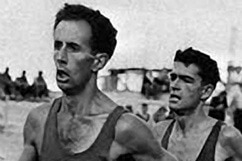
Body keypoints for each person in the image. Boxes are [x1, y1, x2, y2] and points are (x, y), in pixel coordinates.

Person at [19, 4, 177, 161]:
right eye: (57, 45)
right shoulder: (39, 120)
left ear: (98, 62)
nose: (60, 57)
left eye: (73, 48)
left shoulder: (123, 128)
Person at [154, 47, 242, 161]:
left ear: (206, 91)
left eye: (186, 80)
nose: (174, 85)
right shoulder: (159, 131)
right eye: (173, 77)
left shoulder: (226, 137)